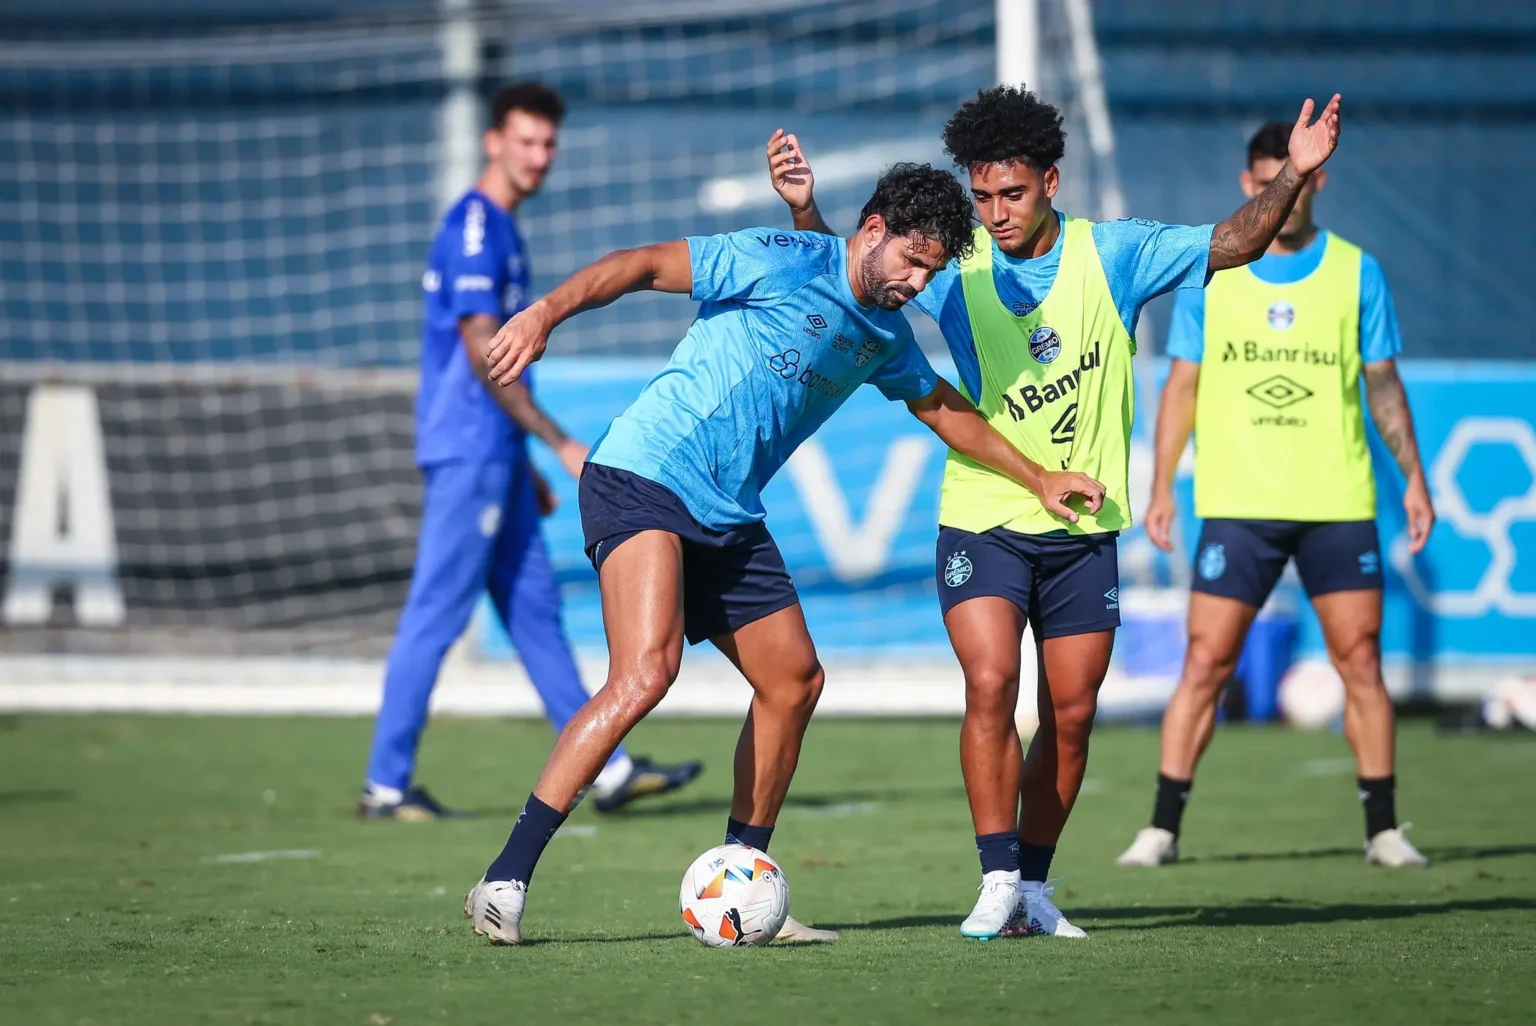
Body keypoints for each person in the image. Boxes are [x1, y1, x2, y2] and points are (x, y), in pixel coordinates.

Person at [463, 163, 1109, 945]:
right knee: (646, 673)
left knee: (794, 680)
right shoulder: (776, 256)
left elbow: (941, 408)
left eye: (932, 272)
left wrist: (1038, 476)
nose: (916, 282)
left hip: (729, 512)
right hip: (645, 472)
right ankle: (506, 877)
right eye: (911, 260)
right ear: (873, 230)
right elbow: (639, 266)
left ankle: (744, 881)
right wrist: (545, 314)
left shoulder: (884, 335)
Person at [768, 86, 1341, 938]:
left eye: (1014, 195)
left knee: (1072, 715)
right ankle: (996, 875)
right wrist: (808, 210)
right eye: (983, 196)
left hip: (1082, 526)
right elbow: (866, 279)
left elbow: (1235, 240)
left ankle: (1033, 887)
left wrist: (1292, 176)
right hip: (984, 511)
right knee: (992, 684)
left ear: (1052, 183)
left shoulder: (1116, 256)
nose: (995, 214)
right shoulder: (955, 265)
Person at [360, 82, 702, 820]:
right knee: (437, 613)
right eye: (526, 141)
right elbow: (487, 350)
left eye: (548, 144)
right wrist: (557, 443)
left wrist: (522, 461)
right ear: (494, 141)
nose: (539, 157)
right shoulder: (477, 229)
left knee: (535, 612)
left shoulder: (503, 228)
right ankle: (386, 785)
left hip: (495, 452)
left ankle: (606, 771)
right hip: (468, 450)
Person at [1116, 121, 1434, 870]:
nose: (1279, 196)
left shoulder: (1359, 272)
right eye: (1265, 183)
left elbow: (1383, 382)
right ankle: (1161, 828)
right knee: (1205, 663)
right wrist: (1161, 485)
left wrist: (1414, 476)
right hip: (1238, 502)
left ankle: (1383, 828)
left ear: (1317, 180)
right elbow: (1182, 383)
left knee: (1360, 660)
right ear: (1248, 186)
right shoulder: (1215, 274)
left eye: (1290, 180)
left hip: (1338, 500)